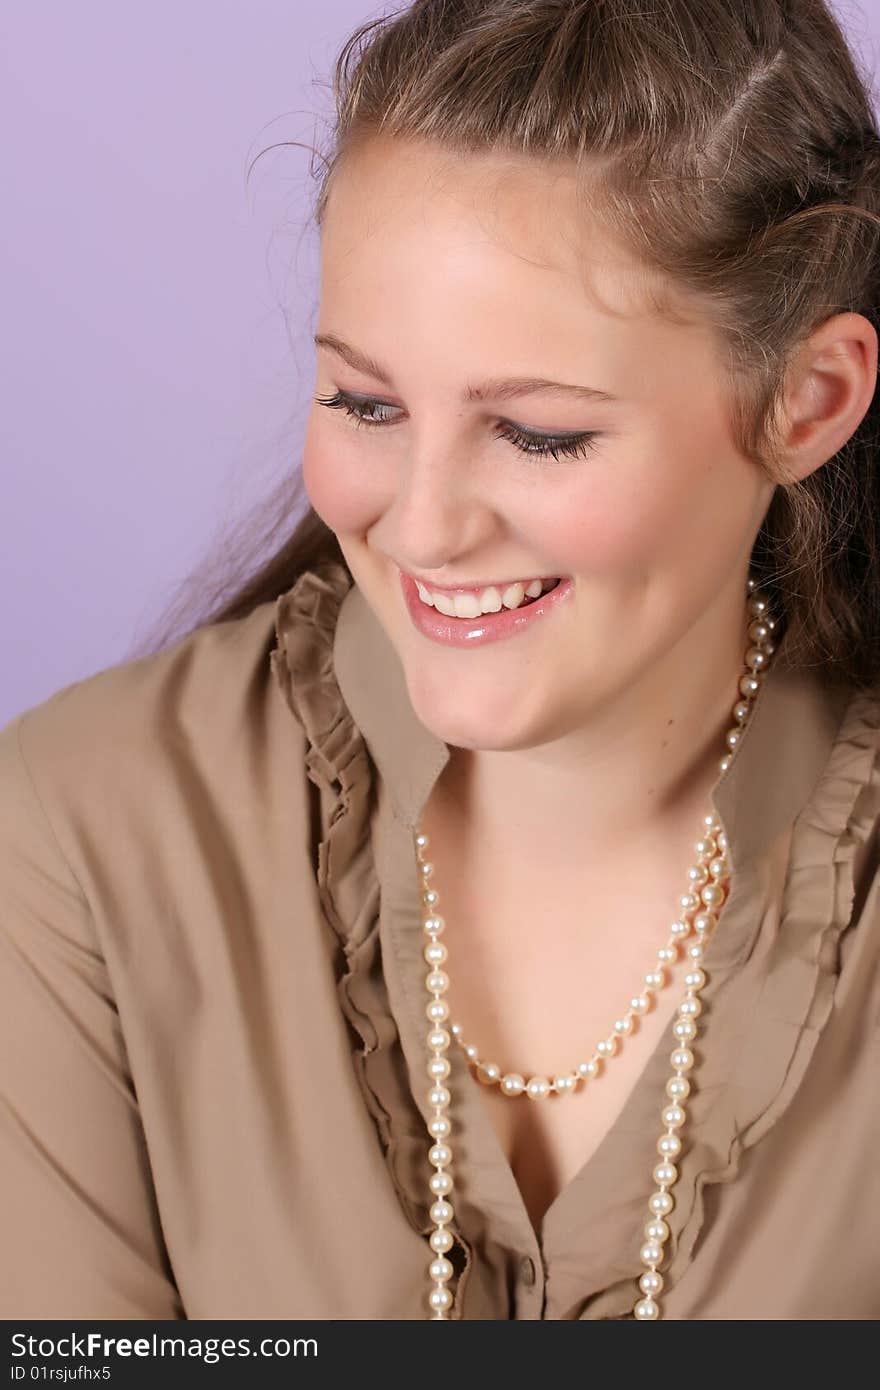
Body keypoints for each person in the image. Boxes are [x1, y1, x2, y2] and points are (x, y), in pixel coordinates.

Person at [2, 0, 879, 1322]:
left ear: (805, 404)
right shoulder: (83, 836)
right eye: (367, 404)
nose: (419, 525)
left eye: (535, 433)